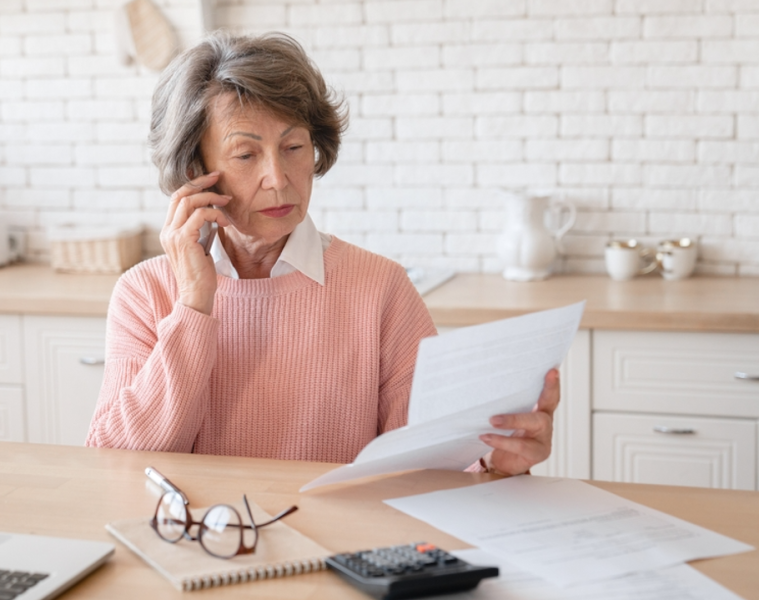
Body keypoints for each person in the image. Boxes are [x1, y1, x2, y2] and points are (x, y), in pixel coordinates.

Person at [86, 32, 559, 476]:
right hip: (198, 552)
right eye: (246, 155)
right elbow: (115, 468)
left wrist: (494, 463)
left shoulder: (382, 289)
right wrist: (192, 305)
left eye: (293, 146)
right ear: (196, 169)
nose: (279, 177)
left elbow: (422, 468)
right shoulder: (144, 293)